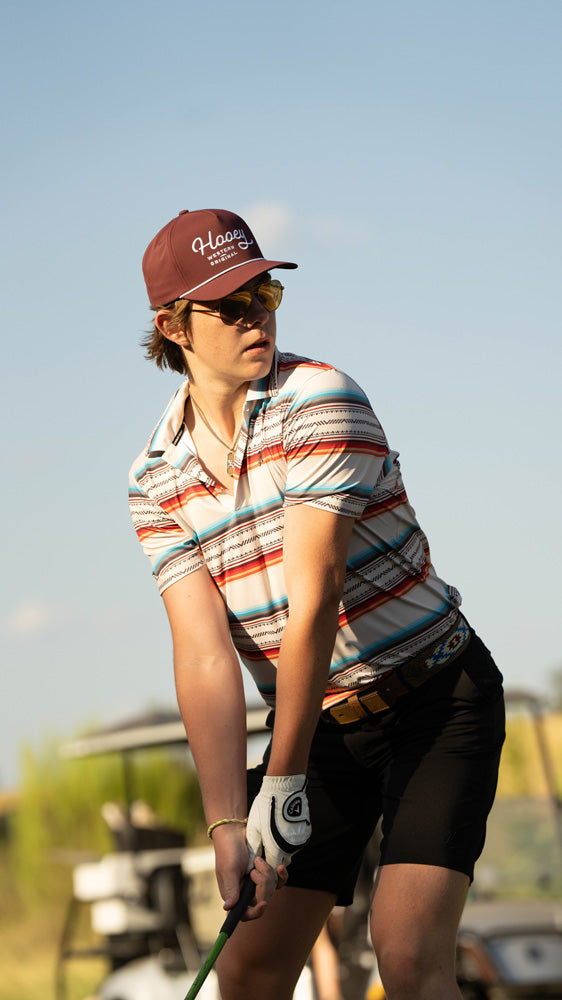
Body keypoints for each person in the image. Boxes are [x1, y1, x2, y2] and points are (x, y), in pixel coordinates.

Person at [129, 207, 505, 1000]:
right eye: (229, 306)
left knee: (404, 950)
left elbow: (315, 601)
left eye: (263, 293)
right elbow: (202, 655)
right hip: (324, 728)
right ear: (172, 326)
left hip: (436, 698)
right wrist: (230, 825)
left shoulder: (318, 398)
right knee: (251, 973)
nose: (254, 316)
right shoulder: (155, 479)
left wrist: (284, 779)